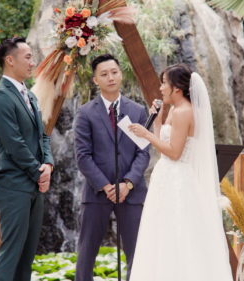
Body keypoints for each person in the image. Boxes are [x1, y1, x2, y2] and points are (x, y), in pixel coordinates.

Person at [128, 64, 234, 280]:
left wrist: (146, 135)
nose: (160, 88)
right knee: (162, 235)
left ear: (177, 87)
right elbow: (165, 151)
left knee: (179, 234)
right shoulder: (175, 110)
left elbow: (175, 153)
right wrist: (157, 124)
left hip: (178, 179)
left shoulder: (184, 112)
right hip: (166, 177)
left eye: (164, 83)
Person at [0, 37, 54, 281]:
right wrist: (38, 172)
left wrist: (48, 166)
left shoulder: (30, 96)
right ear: (9, 60)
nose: (33, 62)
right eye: (28, 57)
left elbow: (42, 136)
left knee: (27, 255)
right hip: (12, 184)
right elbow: (14, 144)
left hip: (34, 182)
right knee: (11, 251)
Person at [74, 54, 150, 281]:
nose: (110, 77)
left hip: (131, 192)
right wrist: (107, 186)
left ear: (121, 73)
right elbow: (82, 156)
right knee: (86, 252)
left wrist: (127, 183)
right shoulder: (85, 112)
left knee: (136, 253)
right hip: (98, 192)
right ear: (95, 80)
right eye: (104, 74)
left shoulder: (137, 111)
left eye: (114, 72)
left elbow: (144, 152)